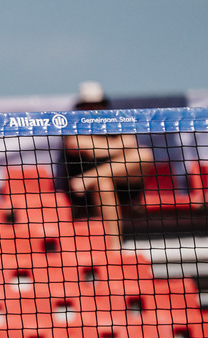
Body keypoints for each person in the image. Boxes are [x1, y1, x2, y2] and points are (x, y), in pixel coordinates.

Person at [57, 81, 154, 249]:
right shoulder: (72, 126)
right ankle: (116, 247)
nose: (93, 109)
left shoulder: (115, 123)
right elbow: (79, 145)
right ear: (80, 107)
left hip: (121, 187)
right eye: (88, 105)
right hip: (82, 194)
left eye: (97, 104)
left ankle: (90, 177)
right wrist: (117, 147)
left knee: (143, 154)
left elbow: (131, 144)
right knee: (103, 183)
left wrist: (99, 150)